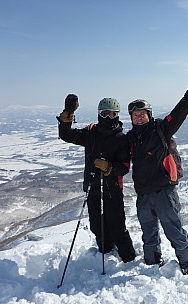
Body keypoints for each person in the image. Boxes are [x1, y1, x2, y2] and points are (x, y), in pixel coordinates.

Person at [127, 72, 188, 275]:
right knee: (148, 232)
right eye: (134, 115)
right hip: (143, 194)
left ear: (149, 114)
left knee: (173, 229)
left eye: (142, 114)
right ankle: (152, 262)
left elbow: (180, 112)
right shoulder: (130, 138)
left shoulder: (162, 129)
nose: (138, 117)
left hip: (164, 191)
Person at [57, 95, 136, 262]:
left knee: (116, 225)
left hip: (112, 188)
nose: (108, 117)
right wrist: (68, 114)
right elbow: (67, 135)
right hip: (93, 186)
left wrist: (109, 168)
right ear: (99, 114)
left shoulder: (121, 139)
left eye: (112, 114)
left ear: (117, 115)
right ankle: (105, 250)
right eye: (105, 113)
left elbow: (124, 167)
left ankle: (128, 257)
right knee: (96, 224)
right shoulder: (91, 133)